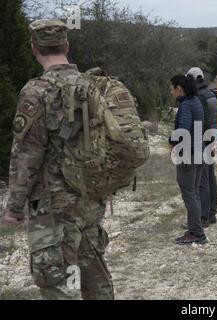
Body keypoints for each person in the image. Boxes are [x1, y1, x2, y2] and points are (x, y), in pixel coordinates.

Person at [2, 19, 114, 300]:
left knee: (60, 288)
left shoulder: (36, 91)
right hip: (90, 201)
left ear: (33, 49)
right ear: (67, 45)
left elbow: (27, 154)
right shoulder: (92, 86)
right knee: (95, 283)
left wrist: (14, 207)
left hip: (53, 208)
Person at [169, 74, 207, 245]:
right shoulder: (197, 102)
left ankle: (197, 233)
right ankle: (195, 229)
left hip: (188, 154)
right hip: (200, 152)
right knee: (195, 193)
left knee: (189, 194)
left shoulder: (185, 106)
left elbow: (183, 130)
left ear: (179, 89)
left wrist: (172, 141)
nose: (171, 92)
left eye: (172, 88)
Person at [187, 67, 217, 226]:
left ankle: (203, 216)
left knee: (202, 180)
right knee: (210, 177)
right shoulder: (211, 93)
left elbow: (201, 121)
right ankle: (212, 213)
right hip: (212, 137)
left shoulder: (199, 96)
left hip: (204, 139)